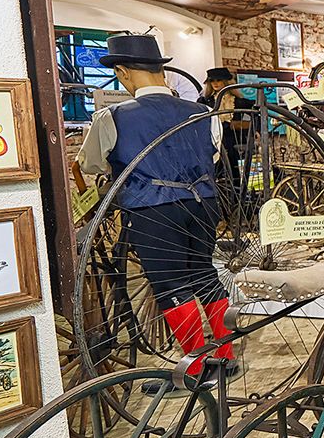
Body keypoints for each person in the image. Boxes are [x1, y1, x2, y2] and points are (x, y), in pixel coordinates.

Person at [78, 34, 234, 380]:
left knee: (170, 284)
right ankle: (225, 356)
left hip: (153, 208)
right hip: (204, 203)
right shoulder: (202, 112)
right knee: (204, 274)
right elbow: (212, 155)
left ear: (122, 72)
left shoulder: (113, 117)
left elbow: (90, 164)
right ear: (160, 70)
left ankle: (195, 368)